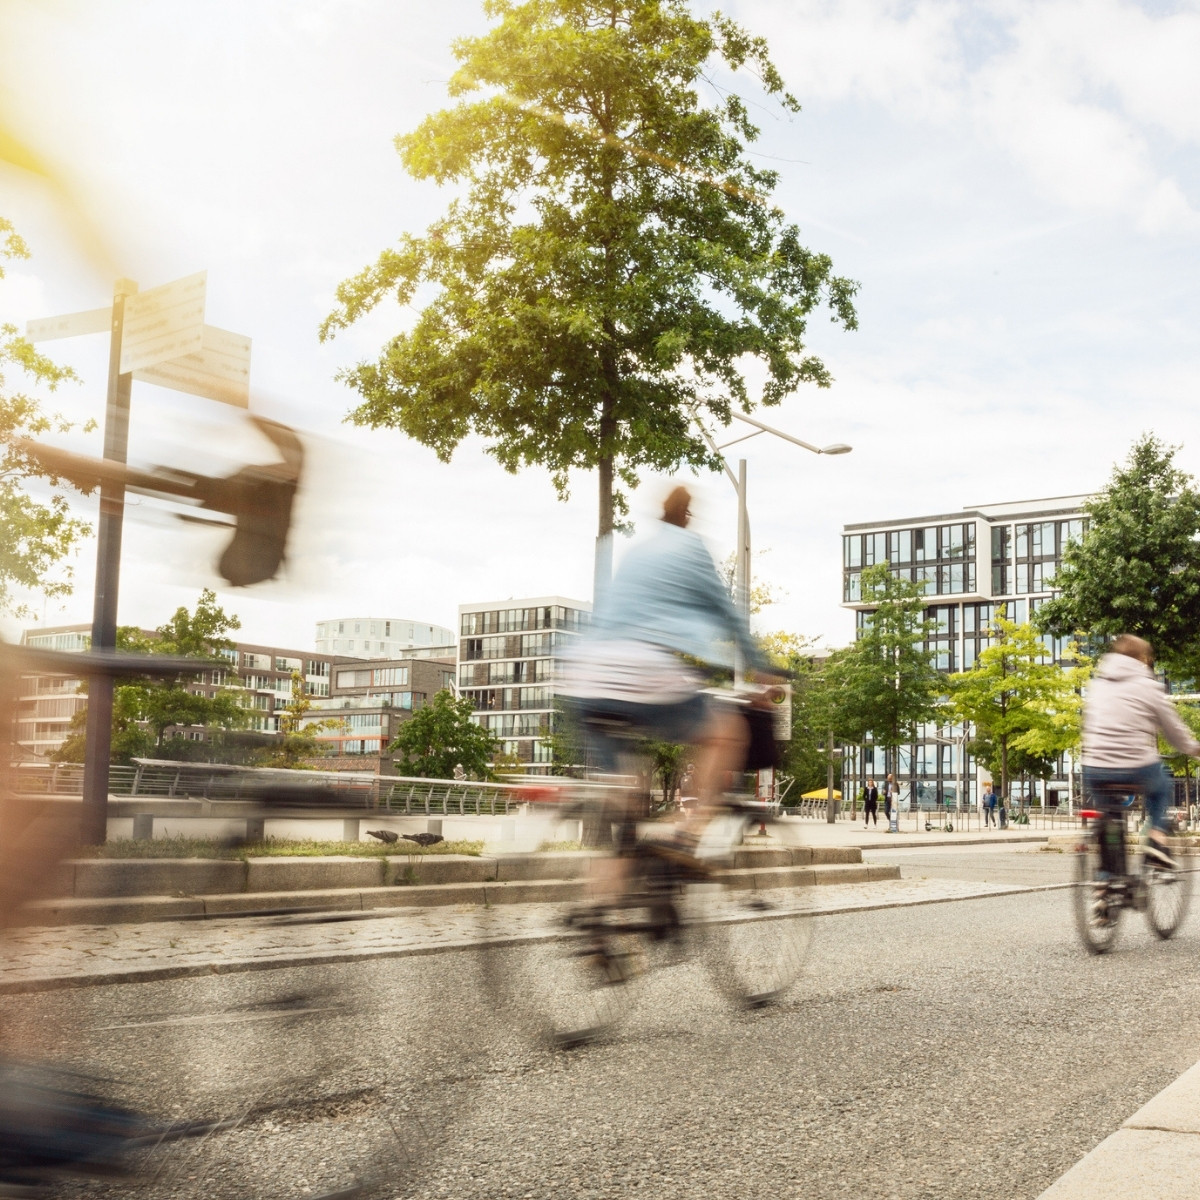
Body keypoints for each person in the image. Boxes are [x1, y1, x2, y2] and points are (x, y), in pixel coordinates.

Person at [1081, 634, 1200, 869]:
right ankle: (1156, 842)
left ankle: (1104, 887)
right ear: (1143, 659)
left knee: (1108, 816)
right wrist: (1194, 748)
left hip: (1094, 767)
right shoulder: (1148, 685)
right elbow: (1174, 730)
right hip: (1134, 765)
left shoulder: (1097, 685)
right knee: (1163, 786)